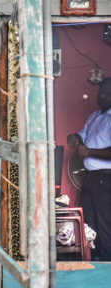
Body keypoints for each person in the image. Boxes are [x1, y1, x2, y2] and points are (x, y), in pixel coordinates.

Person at [67, 77, 111, 261]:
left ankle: (107, 263)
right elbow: (82, 135)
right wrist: (74, 137)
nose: (102, 96)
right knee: (88, 222)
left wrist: (89, 151)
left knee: (105, 223)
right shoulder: (95, 116)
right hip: (90, 178)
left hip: (105, 178)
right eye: (101, 92)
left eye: (107, 93)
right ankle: (93, 261)